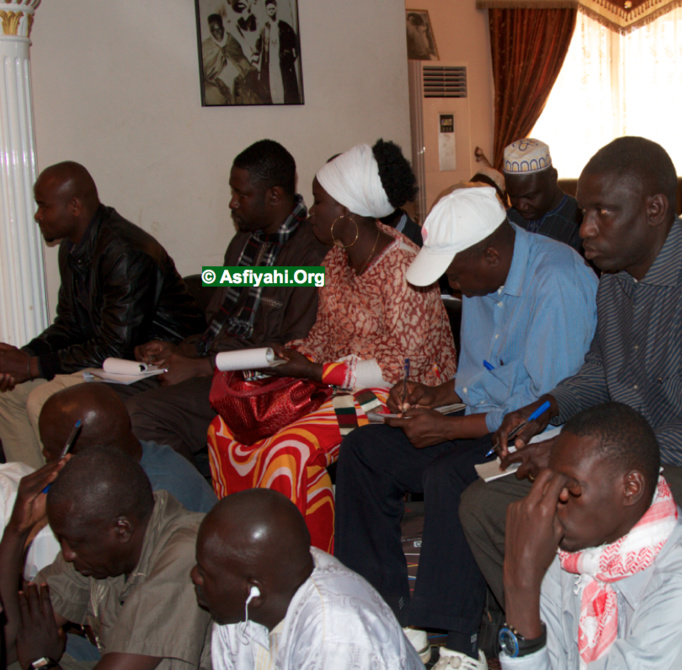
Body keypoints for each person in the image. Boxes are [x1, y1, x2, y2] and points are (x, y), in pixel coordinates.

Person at [460, 136, 682, 610]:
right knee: (482, 506)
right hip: (643, 459)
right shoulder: (616, 280)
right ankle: (561, 634)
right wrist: (547, 406)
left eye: (602, 214)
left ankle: (586, 635)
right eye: (583, 215)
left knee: (566, 505)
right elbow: (600, 370)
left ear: (655, 209)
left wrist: (573, 455)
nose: (587, 230)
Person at [334, 185, 598, 669]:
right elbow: (483, 378)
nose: (450, 284)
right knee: (364, 450)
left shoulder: (556, 280)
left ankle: (457, 640)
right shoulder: (483, 278)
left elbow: (543, 408)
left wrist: (446, 429)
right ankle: (379, 610)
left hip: (545, 439)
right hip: (488, 425)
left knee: (450, 476)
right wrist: (437, 396)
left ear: (491, 254)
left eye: (453, 271)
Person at [208, 140, 456, 553]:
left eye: (319, 202)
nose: (311, 213)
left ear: (345, 211)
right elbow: (323, 338)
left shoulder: (404, 268)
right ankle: (242, 547)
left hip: (398, 396)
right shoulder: (335, 262)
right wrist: (291, 355)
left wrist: (316, 372)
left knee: (292, 447)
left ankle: (303, 561)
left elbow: (405, 368)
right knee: (228, 427)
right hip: (338, 384)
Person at [500, 402, 682, 669]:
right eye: (551, 482)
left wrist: (521, 584)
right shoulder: (569, 550)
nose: (554, 501)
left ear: (631, 488)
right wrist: (523, 581)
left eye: (571, 487)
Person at [126, 139, 326, 467]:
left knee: (141, 415)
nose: (232, 203)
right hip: (213, 365)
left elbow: (290, 353)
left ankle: (195, 511)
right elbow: (217, 326)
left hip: (258, 385)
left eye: (241, 194)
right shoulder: (243, 244)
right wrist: (176, 351)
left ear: (274, 195)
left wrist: (201, 367)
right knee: (105, 402)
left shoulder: (312, 255)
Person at [0, 161, 204, 468]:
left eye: (43, 206)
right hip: (108, 362)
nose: (37, 216)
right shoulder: (72, 247)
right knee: (9, 394)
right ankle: (30, 500)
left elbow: (114, 346)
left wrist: (32, 366)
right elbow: (69, 324)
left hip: (150, 364)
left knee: (43, 401)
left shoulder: (124, 251)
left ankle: (67, 503)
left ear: (74, 206)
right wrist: (23, 358)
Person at [0, 448, 212, 668]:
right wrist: (15, 532)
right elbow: (11, 643)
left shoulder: (185, 554)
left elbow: (31, 655)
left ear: (122, 530)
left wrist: (40, 664)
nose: (66, 554)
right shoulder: (98, 545)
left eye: (73, 544)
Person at [194, 488, 423, 669]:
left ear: (254, 592)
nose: (193, 576)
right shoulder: (236, 610)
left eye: (205, 573)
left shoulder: (338, 637)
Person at [40, 383, 216, 514]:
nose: (44, 454)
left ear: (84, 459)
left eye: (50, 451)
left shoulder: (156, 500)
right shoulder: (137, 458)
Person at [502, 138, 583, 252]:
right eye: (513, 196)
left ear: (553, 178)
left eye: (530, 196)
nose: (521, 206)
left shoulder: (579, 220)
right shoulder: (508, 219)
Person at [255, 0, 301, 104]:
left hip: (282, 65)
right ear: (266, 11)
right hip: (270, 66)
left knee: (285, 90)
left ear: (276, 9)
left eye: (272, 8)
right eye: (268, 9)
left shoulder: (285, 27)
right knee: (272, 90)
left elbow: (296, 47)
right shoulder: (264, 29)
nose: (271, 11)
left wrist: (287, 59)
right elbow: (258, 47)